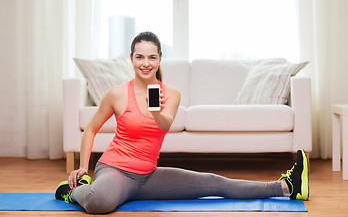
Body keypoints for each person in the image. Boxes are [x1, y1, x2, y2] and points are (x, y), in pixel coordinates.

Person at [55, 31, 309, 214]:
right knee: (99, 203)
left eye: (152, 57)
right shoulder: (117, 93)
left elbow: (165, 125)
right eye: (140, 57)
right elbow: (90, 129)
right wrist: (83, 167)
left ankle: (286, 186)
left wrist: (155, 110)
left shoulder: (171, 94)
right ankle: (73, 191)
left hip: (148, 176)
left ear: (160, 59)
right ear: (131, 59)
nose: (146, 63)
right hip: (115, 171)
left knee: (214, 182)